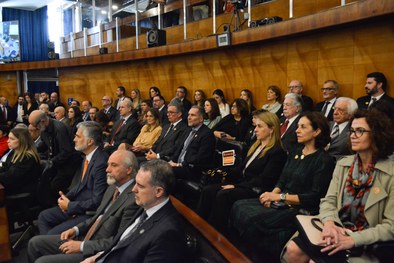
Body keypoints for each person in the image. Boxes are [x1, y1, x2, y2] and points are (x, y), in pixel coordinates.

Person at [285, 109, 394, 263]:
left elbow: (391, 226)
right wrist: (330, 223)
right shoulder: (344, 164)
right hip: (335, 227)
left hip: (365, 239)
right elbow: (328, 200)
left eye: (360, 131)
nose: (353, 135)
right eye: (352, 131)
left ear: (377, 134)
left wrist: (352, 239)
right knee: (293, 249)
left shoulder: (390, 173)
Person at [230, 112, 335, 258]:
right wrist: (271, 195)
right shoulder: (295, 152)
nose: (297, 130)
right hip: (281, 201)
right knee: (238, 206)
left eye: (303, 127)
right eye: (297, 126)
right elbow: (282, 179)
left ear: (317, 131)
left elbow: (314, 197)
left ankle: (251, 257)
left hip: (299, 208)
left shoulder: (324, 160)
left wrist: (279, 197)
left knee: (251, 218)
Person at [27, 150, 140, 263]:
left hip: (96, 252)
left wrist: (82, 246)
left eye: (114, 165)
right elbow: (97, 217)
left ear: (128, 170)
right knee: (34, 243)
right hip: (84, 236)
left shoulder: (134, 199)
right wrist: (75, 230)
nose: (107, 170)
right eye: (108, 165)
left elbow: (120, 240)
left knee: (42, 262)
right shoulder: (112, 188)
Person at [197, 111, 287, 233]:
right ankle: (199, 226)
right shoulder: (256, 146)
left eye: (260, 126)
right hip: (243, 184)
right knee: (208, 190)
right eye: (256, 126)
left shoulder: (277, 152)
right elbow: (242, 169)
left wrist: (235, 186)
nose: (255, 130)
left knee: (223, 195)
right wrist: (224, 172)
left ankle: (216, 234)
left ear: (271, 129)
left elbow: (264, 180)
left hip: (255, 189)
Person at [81, 159, 187, 263]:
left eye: (140, 186)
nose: (133, 189)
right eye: (135, 183)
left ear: (158, 191)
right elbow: (120, 243)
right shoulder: (145, 206)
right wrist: (96, 258)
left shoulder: (169, 232)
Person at [37, 121, 109, 235]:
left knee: (49, 235)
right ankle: (51, 246)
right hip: (77, 205)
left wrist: (71, 206)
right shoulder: (87, 157)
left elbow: (97, 201)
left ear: (90, 141)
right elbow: (80, 184)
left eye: (78, 136)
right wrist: (65, 198)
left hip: (87, 213)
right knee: (43, 217)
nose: (74, 139)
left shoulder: (101, 163)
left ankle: (50, 245)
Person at [29, 110, 81, 206]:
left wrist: (51, 162)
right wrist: (30, 151)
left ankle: (57, 208)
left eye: (34, 125)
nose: (34, 128)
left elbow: (67, 152)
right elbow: (44, 144)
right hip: (57, 162)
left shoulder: (59, 128)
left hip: (68, 165)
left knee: (53, 187)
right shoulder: (44, 128)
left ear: (43, 121)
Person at [168, 106, 216, 181]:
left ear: (201, 119)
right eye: (188, 115)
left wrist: (179, 165)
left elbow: (200, 158)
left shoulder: (207, 134)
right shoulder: (188, 131)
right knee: (156, 166)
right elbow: (178, 149)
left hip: (193, 170)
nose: (189, 117)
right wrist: (171, 161)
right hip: (179, 166)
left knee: (165, 171)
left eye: (193, 115)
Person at [0, 128, 41, 196]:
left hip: (19, 190)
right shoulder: (14, 151)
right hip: (11, 186)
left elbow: (11, 177)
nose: (8, 141)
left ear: (22, 140)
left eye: (12, 139)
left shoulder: (27, 157)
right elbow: (5, 167)